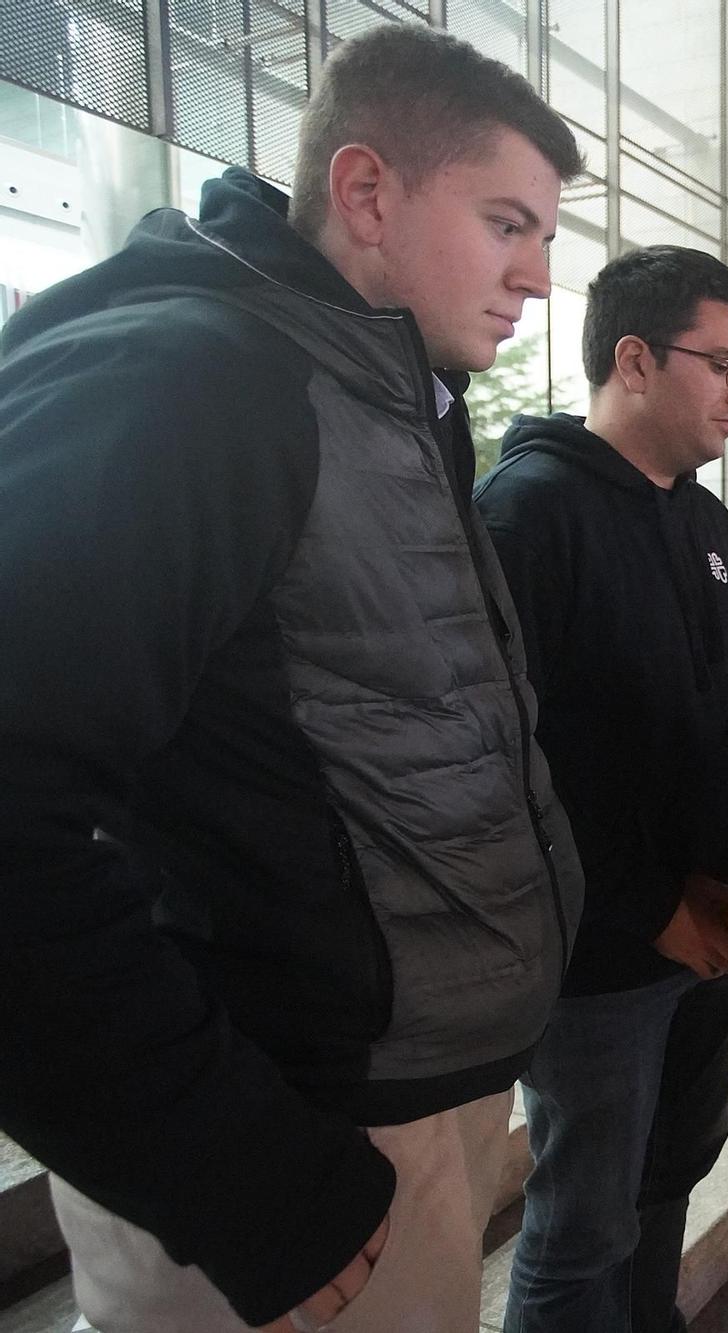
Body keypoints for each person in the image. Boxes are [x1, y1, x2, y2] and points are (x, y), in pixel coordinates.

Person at [0, 24, 587, 1332]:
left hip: (398, 1103)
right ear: (368, 192)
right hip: (293, 1138)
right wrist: (236, 1175)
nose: (539, 277)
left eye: (546, 236)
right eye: (507, 224)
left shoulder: (373, 385)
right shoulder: (191, 376)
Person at [474, 246, 728, 1331]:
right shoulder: (526, 514)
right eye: (721, 364)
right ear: (633, 360)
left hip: (712, 920)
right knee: (582, 1221)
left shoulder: (706, 523)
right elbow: (510, 762)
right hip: (601, 954)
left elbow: (707, 720)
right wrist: (649, 910)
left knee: (667, 1182)